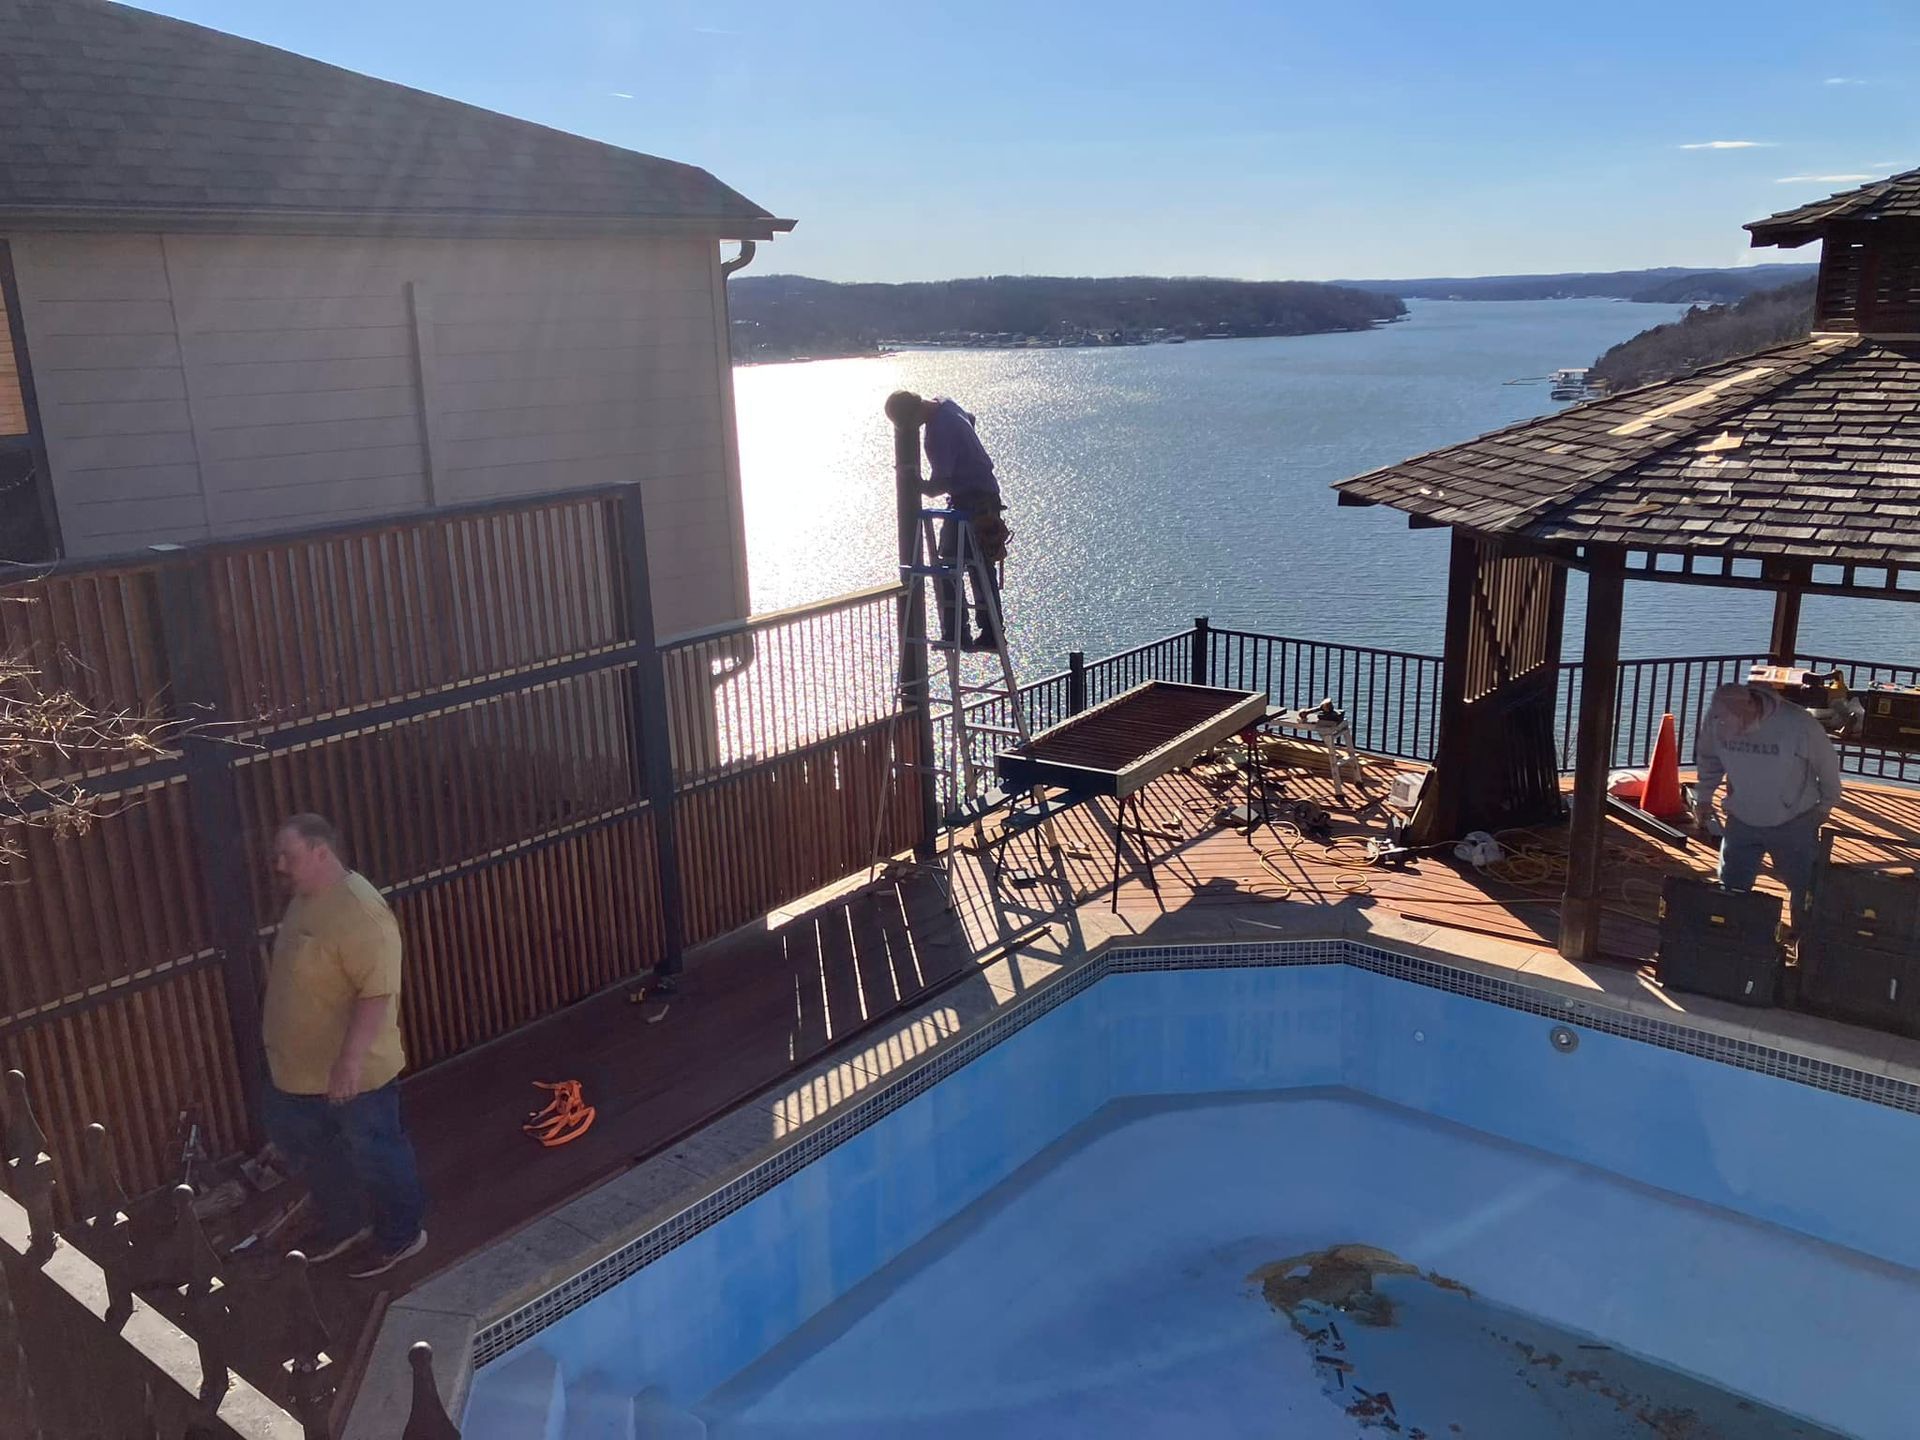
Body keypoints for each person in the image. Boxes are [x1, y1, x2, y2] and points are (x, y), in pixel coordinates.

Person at [260, 814, 427, 1278]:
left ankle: (401, 1236)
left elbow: (376, 994)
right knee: (320, 1154)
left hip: (354, 1075)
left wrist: (349, 1063)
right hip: (299, 1073)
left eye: (287, 855)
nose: (278, 865)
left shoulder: (360, 912)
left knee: (377, 1153)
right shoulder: (305, 900)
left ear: (320, 852)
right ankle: (347, 1222)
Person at [1694, 682, 1842, 923]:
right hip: (1741, 817)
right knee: (1731, 886)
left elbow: (1827, 765)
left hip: (1793, 819)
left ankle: (1804, 941)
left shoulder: (1798, 724)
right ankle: (1736, 938)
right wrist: (1704, 797)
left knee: (1805, 888)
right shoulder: (1717, 719)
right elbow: (1709, 758)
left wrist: (1826, 805)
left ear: (1751, 705)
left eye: (1735, 722)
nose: (1730, 729)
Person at [884, 390, 1009, 650]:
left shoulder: (938, 433)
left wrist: (914, 482)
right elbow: (970, 419)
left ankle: (957, 632)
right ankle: (991, 632)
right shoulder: (945, 403)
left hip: (970, 503)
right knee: (980, 567)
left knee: (948, 568)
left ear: (911, 418)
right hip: (985, 497)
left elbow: (939, 483)